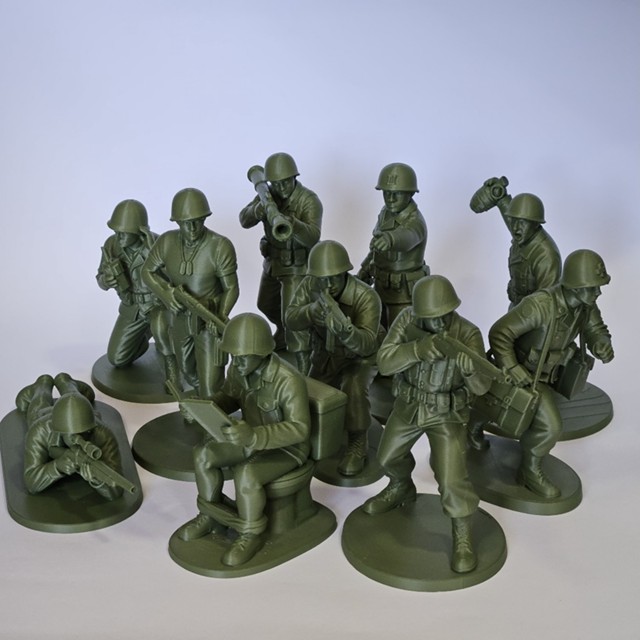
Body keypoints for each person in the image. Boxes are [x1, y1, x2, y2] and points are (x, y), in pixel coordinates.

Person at [362, 275, 491, 573]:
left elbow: (483, 386)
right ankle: (401, 486)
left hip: (446, 413)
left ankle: (462, 534)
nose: (439, 322)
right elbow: (385, 362)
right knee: (386, 457)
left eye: (444, 315)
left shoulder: (468, 333)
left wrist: (470, 372)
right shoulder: (407, 320)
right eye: (431, 317)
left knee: (452, 478)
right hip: (408, 406)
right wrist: (417, 349)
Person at [176, 313, 310, 567]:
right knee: (203, 454)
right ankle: (210, 515)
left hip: (288, 448)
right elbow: (229, 397)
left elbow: (300, 429)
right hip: (248, 437)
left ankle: (250, 534)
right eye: (233, 356)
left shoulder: (288, 380)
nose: (235, 362)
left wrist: (255, 436)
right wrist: (203, 407)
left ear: (261, 353)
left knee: (247, 474)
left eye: (242, 357)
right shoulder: (239, 369)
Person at [488, 249, 613, 498]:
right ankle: (529, 471)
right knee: (550, 427)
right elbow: (500, 333)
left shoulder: (585, 306)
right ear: (576, 287)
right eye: (593, 287)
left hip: (551, 374)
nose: (598, 292)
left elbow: (596, 329)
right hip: (527, 374)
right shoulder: (540, 306)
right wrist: (512, 368)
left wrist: (602, 343)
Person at [286, 240, 382, 476]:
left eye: (334, 278)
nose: (328, 285)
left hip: (359, 356)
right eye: (322, 279)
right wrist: (310, 312)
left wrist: (344, 329)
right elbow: (290, 317)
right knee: (310, 393)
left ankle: (357, 443)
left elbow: (367, 343)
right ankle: (309, 436)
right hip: (326, 353)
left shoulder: (366, 297)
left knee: (353, 387)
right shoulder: (310, 285)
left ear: (345, 273)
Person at [143, 188, 239, 398]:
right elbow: (147, 272)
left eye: (198, 221)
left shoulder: (220, 246)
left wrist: (221, 315)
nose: (193, 227)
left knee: (211, 387)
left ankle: (211, 402)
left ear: (205, 218)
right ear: (177, 222)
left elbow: (232, 288)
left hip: (208, 319)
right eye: (187, 222)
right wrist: (166, 294)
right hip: (180, 316)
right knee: (186, 369)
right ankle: (200, 397)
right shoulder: (166, 242)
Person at [239, 152, 323, 373]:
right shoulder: (268, 194)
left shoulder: (309, 200)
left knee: (293, 318)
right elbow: (243, 220)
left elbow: (313, 236)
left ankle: (304, 365)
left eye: (286, 181)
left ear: (295, 177)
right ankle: (284, 334)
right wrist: (258, 209)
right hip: (273, 262)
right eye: (277, 183)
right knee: (265, 304)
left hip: (297, 267)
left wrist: (293, 224)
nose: (282, 187)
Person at [96, 199, 177, 388]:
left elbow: (175, 279)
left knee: (172, 349)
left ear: (139, 231)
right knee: (117, 359)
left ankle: (167, 345)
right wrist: (106, 281)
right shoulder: (111, 245)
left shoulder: (158, 243)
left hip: (159, 307)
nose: (119, 236)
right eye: (116, 231)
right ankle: (146, 334)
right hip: (132, 308)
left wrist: (152, 252)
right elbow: (99, 276)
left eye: (124, 232)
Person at [21, 373, 124, 500]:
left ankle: (67, 383)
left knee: (76, 402)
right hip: (45, 418)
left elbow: (117, 489)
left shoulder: (102, 434)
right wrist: (56, 467)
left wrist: (97, 480)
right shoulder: (40, 430)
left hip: (83, 416)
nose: (79, 437)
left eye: (83, 432)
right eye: (72, 434)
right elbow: (31, 482)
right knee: (39, 405)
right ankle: (42, 385)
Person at [358, 162, 428, 329]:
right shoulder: (385, 213)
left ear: (410, 193)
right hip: (381, 288)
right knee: (377, 330)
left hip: (403, 295)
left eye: (396, 194)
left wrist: (390, 239)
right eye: (386, 193)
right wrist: (364, 272)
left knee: (400, 334)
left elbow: (408, 236)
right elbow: (376, 250)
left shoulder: (416, 221)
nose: (390, 198)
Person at [470, 184, 561, 308]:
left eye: (522, 222)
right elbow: (515, 218)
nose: (515, 228)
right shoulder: (524, 234)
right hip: (516, 306)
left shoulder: (546, 255)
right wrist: (500, 197)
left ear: (536, 224)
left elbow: (546, 304)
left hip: (533, 314)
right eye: (513, 221)